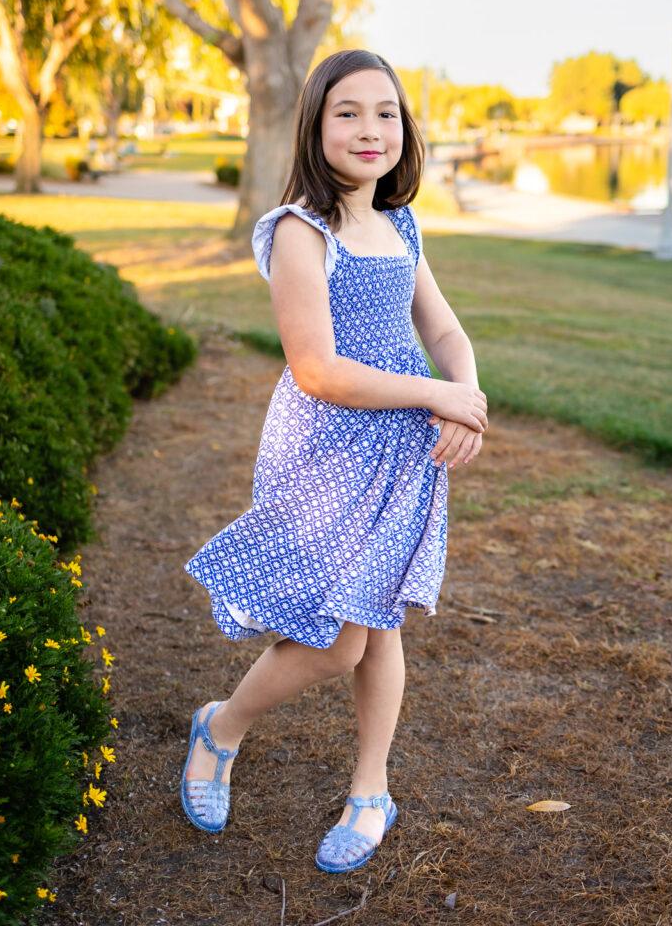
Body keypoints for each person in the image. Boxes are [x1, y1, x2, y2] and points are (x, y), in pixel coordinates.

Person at [181, 50, 488, 873]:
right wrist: (430, 396)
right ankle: (221, 728)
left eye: (385, 112)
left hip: (400, 456)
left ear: (403, 128)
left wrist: (463, 393)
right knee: (335, 644)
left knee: (377, 625)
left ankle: (369, 791)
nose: (369, 128)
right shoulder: (298, 230)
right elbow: (317, 368)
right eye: (347, 112)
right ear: (315, 126)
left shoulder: (401, 225)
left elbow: (446, 333)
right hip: (327, 452)